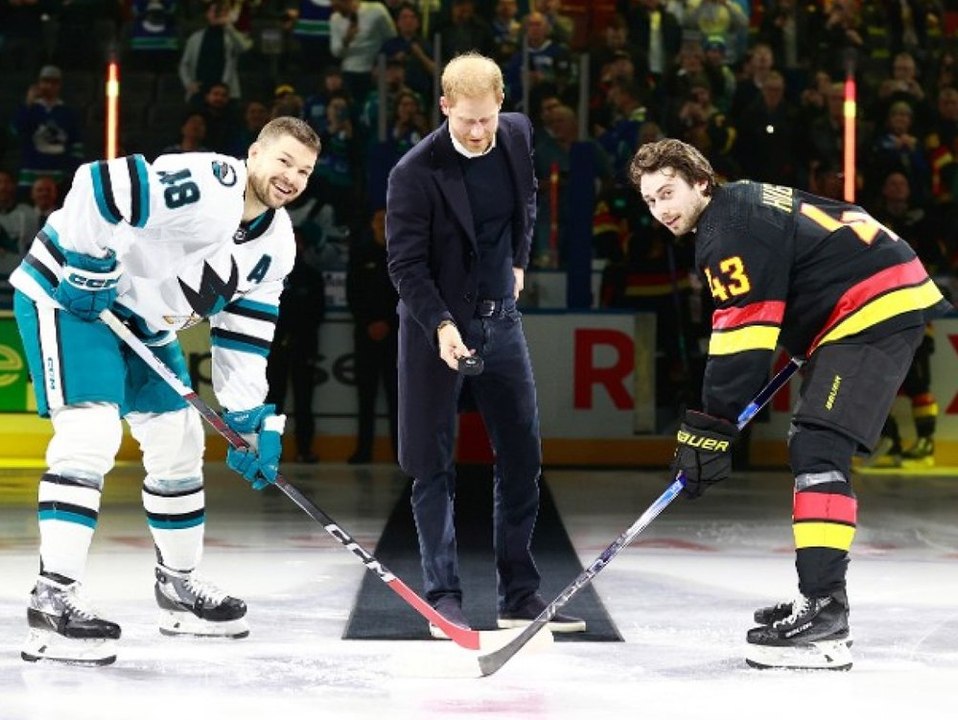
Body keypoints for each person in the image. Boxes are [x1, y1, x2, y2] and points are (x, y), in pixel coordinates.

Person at [628, 138, 952, 671]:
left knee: (818, 447)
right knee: (814, 444)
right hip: (868, 297)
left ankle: (825, 617)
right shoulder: (740, 203)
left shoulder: (725, 232)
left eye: (668, 193)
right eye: (650, 200)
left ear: (702, 182)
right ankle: (818, 600)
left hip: (871, 306)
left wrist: (710, 424)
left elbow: (742, 338)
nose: (661, 209)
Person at [10, 116, 321, 665]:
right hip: (71, 300)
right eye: (284, 161)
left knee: (179, 444)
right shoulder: (210, 183)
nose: (292, 177)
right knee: (90, 435)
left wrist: (247, 418)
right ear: (254, 154)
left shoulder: (278, 247)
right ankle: (51, 599)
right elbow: (100, 184)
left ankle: (178, 588)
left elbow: (244, 334)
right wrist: (87, 264)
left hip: (146, 328)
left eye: (304, 171)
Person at [385, 52, 585, 639]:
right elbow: (406, 266)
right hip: (434, 330)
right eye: (465, 120)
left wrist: (519, 260)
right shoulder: (413, 172)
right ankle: (442, 598)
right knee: (431, 466)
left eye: (486, 119)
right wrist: (443, 326)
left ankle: (519, 596)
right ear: (444, 106)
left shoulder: (517, 134)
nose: (477, 131)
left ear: (502, 104)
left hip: (503, 322)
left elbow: (528, 200)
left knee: (522, 456)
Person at [346, 208, 398, 464]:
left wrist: (388, 323)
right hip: (365, 336)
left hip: (395, 336)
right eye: (378, 220)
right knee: (365, 397)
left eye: (387, 219)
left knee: (396, 397)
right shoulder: (360, 255)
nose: (382, 224)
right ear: (371, 224)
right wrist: (369, 323)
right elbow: (353, 294)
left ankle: (400, 452)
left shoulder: (402, 255)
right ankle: (363, 451)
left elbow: (407, 296)